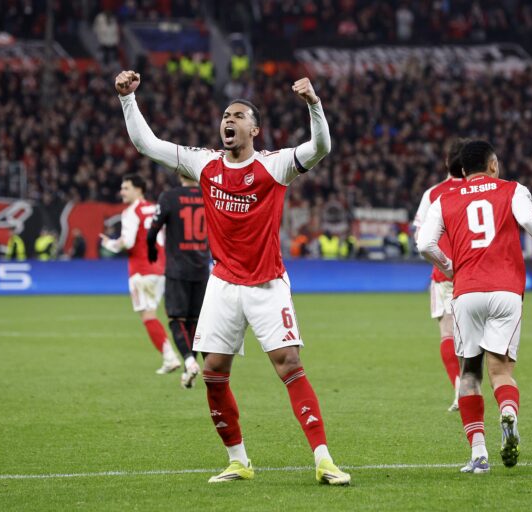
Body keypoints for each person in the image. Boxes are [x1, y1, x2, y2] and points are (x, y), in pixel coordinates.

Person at [115, 69, 350, 485]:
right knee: (213, 373)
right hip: (222, 285)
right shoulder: (203, 163)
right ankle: (238, 461)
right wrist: (127, 99)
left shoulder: (274, 165)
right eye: (226, 114)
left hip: (266, 284)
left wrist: (314, 104)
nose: (229, 119)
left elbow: (321, 148)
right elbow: (145, 144)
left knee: (289, 364)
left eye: (238, 116)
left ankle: (323, 460)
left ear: (254, 129)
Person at [417, 139, 532, 474]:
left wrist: (449, 267)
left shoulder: (443, 199)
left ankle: (478, 455)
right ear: (493, 165)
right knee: (501, 371)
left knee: (470, 373)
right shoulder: (512, 190)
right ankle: (508, 412)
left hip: (466, 291)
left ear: (460, 170)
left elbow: (424, 243)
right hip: (506, 292)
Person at [100, 173, 182, 375]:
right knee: (160, 313)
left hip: (142, 271)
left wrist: (109, 243)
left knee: (148, 316)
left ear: (139, 190)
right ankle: (177, 356)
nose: (122, 192)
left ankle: (171, 358)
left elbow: (127, 242)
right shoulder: (155, 208)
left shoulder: (131, 212)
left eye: (126, 188)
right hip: (162, 269)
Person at [413, 138, 468, 412]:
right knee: (473, 336)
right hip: (475, 274)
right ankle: (479, 387)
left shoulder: (433, 194)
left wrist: (444, 261)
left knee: (447, 333)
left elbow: (420, 237)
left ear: (447, 162)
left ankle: (459, 389)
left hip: (444, 274)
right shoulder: (479, 190)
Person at [147, 175, 211, 389]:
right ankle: (189, 369)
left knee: (177, 319)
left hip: (177, 268)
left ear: (179, 175)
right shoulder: (209, 194)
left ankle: (190, 361)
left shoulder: (170, 197)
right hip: (202, 268)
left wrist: (151, 250)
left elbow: (152, 230)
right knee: (195, 321)